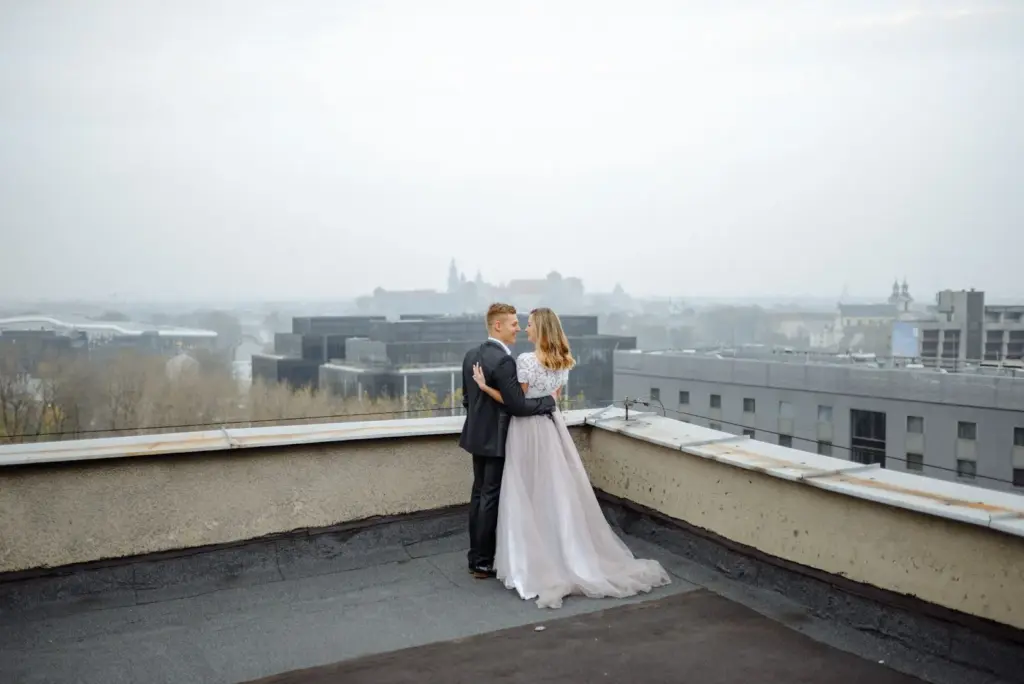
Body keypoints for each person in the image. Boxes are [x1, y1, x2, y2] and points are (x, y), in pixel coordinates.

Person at [471, 307, 671, 608]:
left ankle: (531, 558)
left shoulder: (525, 360)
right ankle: (563, 550)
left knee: (526, 492)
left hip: (526, 432)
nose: (525, 329)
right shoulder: (562, 363)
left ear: (540, 328)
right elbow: (552, 401)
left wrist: (485, 387)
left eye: (528, 325)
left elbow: (518, 404)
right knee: (555, 492)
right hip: (553, 431)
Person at [459, 303, 556, 579]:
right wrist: (549, 402)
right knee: (490, 496)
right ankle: (483, 562)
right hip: (499, 438)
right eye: (514, 323)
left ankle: (476, 558)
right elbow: (518, 406)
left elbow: (467, 399)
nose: (518, 328)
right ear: (497, 326)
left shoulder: (470, 355)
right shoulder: (504, 361)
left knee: (479, 494)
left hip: (476, 435)